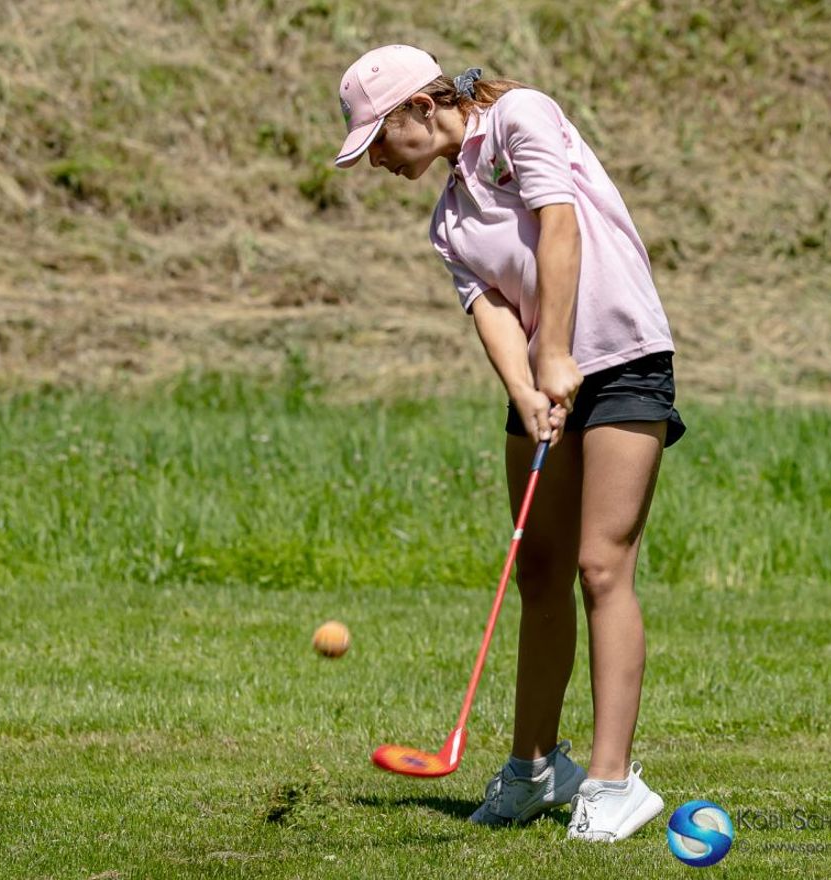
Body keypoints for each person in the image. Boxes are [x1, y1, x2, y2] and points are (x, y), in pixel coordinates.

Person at [333, 44, 685, 842]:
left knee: (602, 565)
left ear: (422, 107)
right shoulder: (447, 219)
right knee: (538, 569)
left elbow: (560, 226)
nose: (377, 160)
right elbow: (490, 309)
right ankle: (535, 768)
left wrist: (554, 350)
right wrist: (525, 389)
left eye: (379, 139)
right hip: (545, 376)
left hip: (621, 355)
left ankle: (613, 781)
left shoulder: (520, 115)